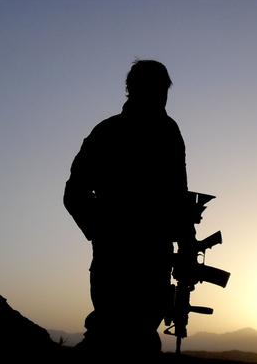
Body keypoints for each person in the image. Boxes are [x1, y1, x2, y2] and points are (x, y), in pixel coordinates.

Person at [63, 60, 189, 359]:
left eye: (163, 91)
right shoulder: (107, 133)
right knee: (110, 334)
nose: (161, 98)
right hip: (116, 258)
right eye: (155, 90)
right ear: (134, 90)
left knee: (142, 337)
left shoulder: (169, 132)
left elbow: (180, 196)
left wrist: (185, 244)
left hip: (154, 256)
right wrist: (102, 232)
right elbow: (74, 194)